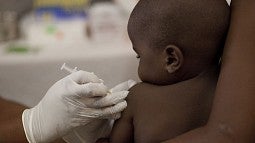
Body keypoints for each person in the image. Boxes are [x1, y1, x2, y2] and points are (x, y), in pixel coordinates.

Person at [95, 0, 230, 142]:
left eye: (139, 55)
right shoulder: (230, 97)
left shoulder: (138, 98)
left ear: (171, 59)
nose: (138, 62)